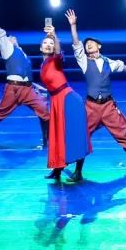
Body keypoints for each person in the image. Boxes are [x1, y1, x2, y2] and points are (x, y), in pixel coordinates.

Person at [69, 10, 126, 173]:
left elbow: (121, 66)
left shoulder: (108, 62)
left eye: (92, 43)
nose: (88, 45)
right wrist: (73, 25)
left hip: (108, 106)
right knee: (82, 136)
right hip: (91, 107)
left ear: (99, 46)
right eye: (87, 44)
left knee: (121, 133)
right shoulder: (84, 61)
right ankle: (78, 171)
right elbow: (76, 44)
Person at [0, 2, 50, 145]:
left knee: (44, 111)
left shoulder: (23, 54)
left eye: (12, 37)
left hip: (28, 89)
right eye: (9, 37)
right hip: (13, 89)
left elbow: (26, 74)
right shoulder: (7, 48)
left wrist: (36, 86)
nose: (11, 37)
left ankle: (47, 139)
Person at [39, 16, 90, 182]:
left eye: (51, 43)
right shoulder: (43, 64)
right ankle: (57, 168)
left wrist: (54, 36)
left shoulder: (56, 59)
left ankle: (78, 172)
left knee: (75, 135)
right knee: (58, 136)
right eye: (45, 43)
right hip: (56, 101)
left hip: (68, 100)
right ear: (40, 47)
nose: (48, 45)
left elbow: (58, 52)